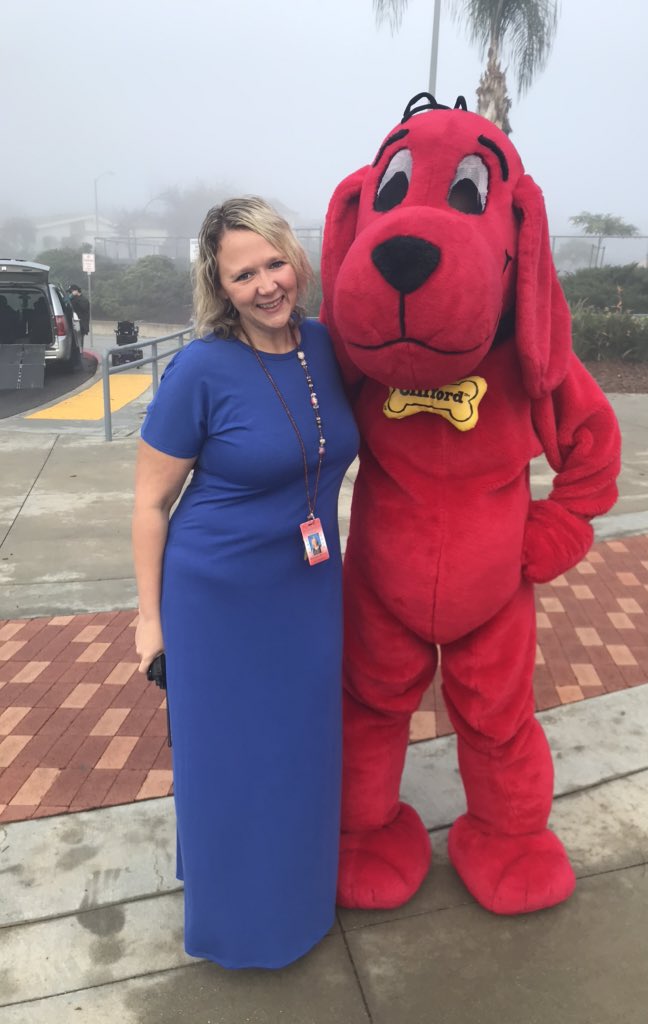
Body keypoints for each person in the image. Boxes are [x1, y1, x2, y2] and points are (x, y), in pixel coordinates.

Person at [132, 196, 359, 969]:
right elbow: (151, 501)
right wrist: (148, 619)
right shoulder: (201, 367)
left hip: (308, 589)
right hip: (215, 597)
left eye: (274, 262)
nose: (267, 284)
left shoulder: (325, 345)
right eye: (244, 273)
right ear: (219, 286)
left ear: (295, 260)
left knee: (299, 752)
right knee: (230, 761)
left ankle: (297, 899)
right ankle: (236, 924)